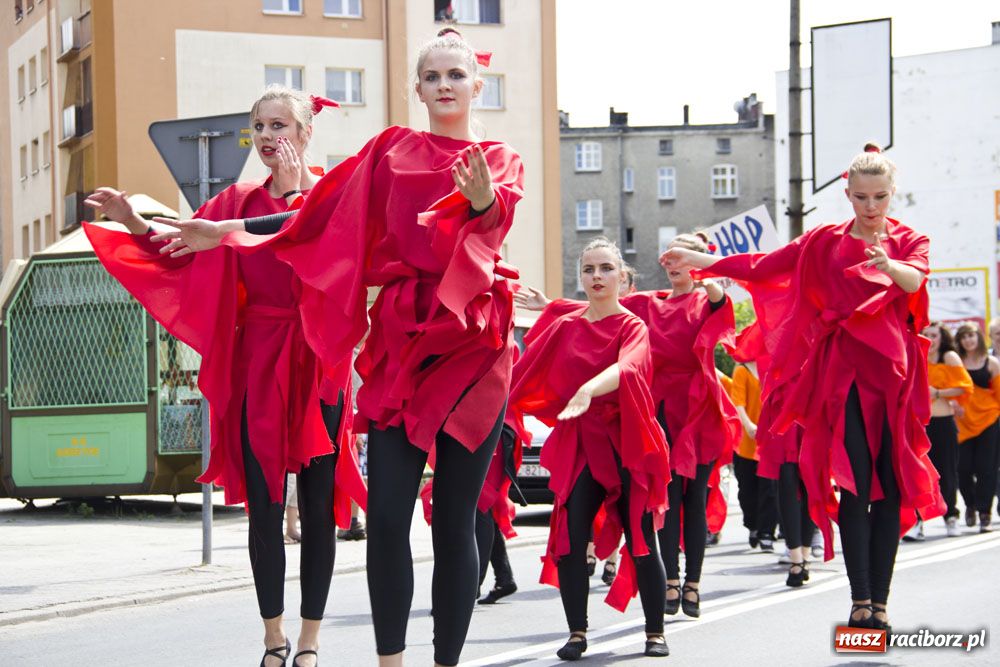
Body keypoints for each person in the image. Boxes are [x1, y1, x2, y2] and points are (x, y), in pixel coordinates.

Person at [152, 29, 524, 667]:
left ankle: (445, 661)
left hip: (471, 343)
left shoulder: (498, 154)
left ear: (475, 86)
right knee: (384, 522)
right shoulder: (390, 149)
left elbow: (494, 218)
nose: (443, 86)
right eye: (432, 76)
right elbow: (314, 212)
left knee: (458, 518)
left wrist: (484, 198)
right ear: (417, 88)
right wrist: (228, 231)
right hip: (401, 340)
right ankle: (390, 662)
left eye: (455, 76)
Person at [83, 86, 367, 667]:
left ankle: (310, 643)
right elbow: (177, 247)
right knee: (263, 505)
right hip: (257, 362)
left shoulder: (332, 196)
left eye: (279, 125)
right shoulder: (232, 199)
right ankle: (273, 638)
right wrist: (133, 218)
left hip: (317, 361)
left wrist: (298, 192)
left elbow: (316, 236)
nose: (267, 136)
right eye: (258, 127)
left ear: (307, 131)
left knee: (315, 508)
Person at [662, 143, 944, 630]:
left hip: (894, 376)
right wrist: (703, 259)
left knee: (891, 489)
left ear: (892, 194)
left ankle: (881, 600)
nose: (871, 207)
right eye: (861, 197)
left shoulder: (910, 239)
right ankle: (860, 600)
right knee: (855, 485)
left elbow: (913, 280)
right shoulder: (824, 242)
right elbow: (762, 266)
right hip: (844, 375)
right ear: (848, 193)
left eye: (879, 197)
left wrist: (887, 265)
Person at [516, 236, 739, 618]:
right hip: (655, 403)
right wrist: (547, 305)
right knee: (662, 498)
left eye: (681, 258)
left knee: (694, 495)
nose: (673, 265)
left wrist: (708, 274)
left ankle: (693, 584)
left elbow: (721, 305)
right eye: (668, 257)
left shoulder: (704, 298)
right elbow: (597, 309)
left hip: (696, 408)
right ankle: (670, 584)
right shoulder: (647, 303)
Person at [510, 238, 671, 659]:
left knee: (643, 539)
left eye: (604, 269)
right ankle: (577, 632)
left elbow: (629, 367)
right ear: (581, 278)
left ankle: (655, 632)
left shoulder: (632, 326)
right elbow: (522, 372)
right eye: (588, 270)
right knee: (570, 536)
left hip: (627, 443)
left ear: (622, 275)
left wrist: (588, 388)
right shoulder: (567, 326)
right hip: (582, 444)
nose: (596, 277)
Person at [918, 322, 973, 538]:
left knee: (947, 472)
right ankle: (918, 520)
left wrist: (938, 393)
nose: (930, 340)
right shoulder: (916, 354)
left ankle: (951, 515)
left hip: (943, 422)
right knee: (920, 474)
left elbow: (965, 386)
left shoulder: (949, 357)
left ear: (942, 338)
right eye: (926, 335)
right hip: (920, 424)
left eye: (934, 335)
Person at [730, 357, 779, 553]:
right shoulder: (742, 371)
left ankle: (767, 533)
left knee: (769, 490)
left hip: (769, 443)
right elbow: (737, 402)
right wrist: (748, 424)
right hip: (746, 444)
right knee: (747, 491)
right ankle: (753, 525)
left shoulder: (773, 367)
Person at [954, 323, 1000, 532]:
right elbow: (949, 389)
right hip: (962, 423)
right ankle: (970, 505)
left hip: (989, 420)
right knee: (962, 469)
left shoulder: (991, 363)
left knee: (986, 469)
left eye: (971, 335)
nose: (968, 340)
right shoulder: (956, 362)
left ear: (979, 337)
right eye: (964, 337)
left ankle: (984, 513)